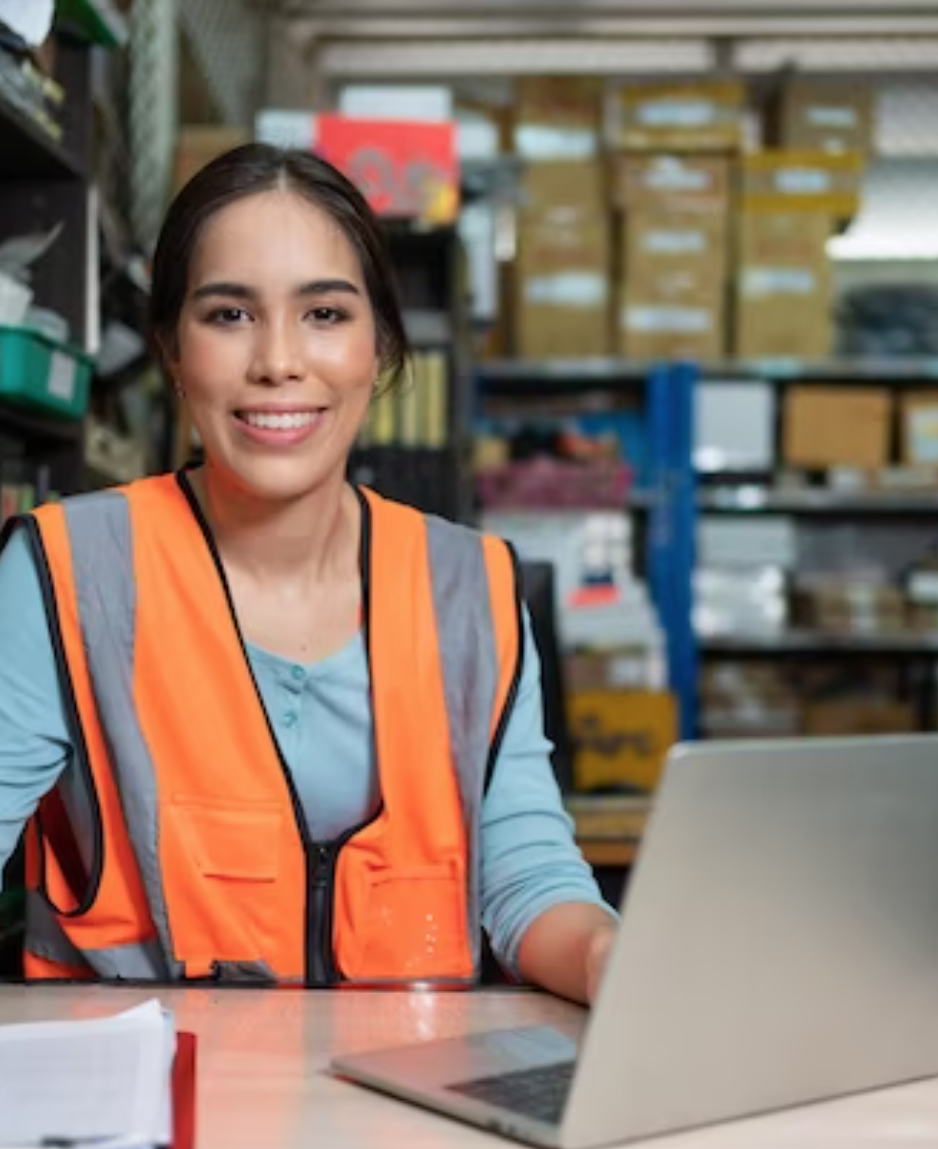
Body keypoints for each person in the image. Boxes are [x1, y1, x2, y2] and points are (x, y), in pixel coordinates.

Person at [0, 144, 618, 1002]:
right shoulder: (69, 574)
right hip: (150, 1103)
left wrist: (610, 960)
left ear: (380, 347)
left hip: (414, 1108)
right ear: (172, 353)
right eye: (228, 315)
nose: (279, 361)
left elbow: (526, 876)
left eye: (325, 314)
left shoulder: (470, 589)